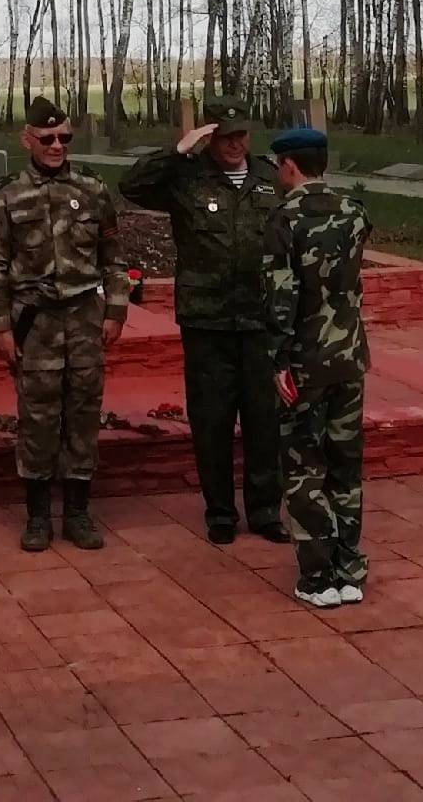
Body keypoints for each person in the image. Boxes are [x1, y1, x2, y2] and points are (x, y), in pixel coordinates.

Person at [119, 102, 287, 546]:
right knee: (212, 421)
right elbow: (131, 186)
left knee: (264, 420)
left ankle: (265, 511)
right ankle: (220, 512)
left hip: (261, 318)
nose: (235, 144)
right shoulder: (187, 177)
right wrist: (179, 150)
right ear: (210, 136)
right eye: (225, 135)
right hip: (207, 320)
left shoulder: (269, 178)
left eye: (241, 134)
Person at [0, 96, 130, 553]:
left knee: (83, 415)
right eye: (47, 139)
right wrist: (1, 327)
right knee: (38, 419)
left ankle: (79, 513)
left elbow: (113, 257)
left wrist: (116, 310)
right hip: (36, 324)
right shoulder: (7, 195)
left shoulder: (92, 188)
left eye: (64, 137)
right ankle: (38, 515)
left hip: (84, 319)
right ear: (27, 139)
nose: (57, 146)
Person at [263, 127, 371, 609]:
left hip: (304, 363)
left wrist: (277, 359)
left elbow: (281, 296)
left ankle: (317, 576)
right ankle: (350, 570)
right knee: (345, 466)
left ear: (289, 165)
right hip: (349, 358)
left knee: (304, 467)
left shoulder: (284, 218)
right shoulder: (354, 212)